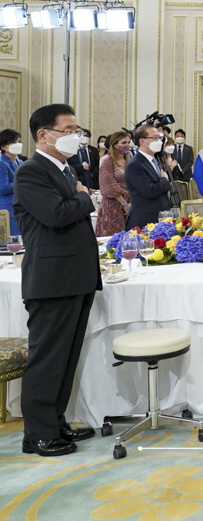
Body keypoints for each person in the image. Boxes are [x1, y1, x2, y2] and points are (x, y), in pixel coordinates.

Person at [13, 103, 99, 456]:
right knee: (47, 358)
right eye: (68, 130)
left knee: (66, 356)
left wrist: (79, 194)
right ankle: (38, 434)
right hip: (52, 278)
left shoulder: (64, 169)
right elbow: (55, 214)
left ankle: (55, 422)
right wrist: (83, 197)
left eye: (77, 130)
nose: (75, 137)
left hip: (75, 276)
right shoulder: (31, 171)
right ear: (44, 135)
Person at [125, 125, 172, 229]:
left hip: (158, 217)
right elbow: (149, 191)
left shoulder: (154, 160)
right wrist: (164, 180)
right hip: (144, 219)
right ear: (142, 141)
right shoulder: (135, 164)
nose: (159, 141)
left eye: (159, 138)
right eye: (155, 138)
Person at [96, 131, 132, 236]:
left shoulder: (129, 161)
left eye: (128, 142)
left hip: (130, 203)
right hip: (114, 205)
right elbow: (108, 185)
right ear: (115, 145)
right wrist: (123, 203)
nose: (127, 145)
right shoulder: (108, 161)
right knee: (114, 235)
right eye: (124, 142)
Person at [0, 128, 23, 237]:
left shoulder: (21, 162)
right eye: (14, 142)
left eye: (19, 142)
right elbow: (3, 189)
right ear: (3, 146)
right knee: (11, 243)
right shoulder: (2, 163)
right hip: (8, 208)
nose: (18, 144)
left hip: (23, 206)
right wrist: (23, 183)